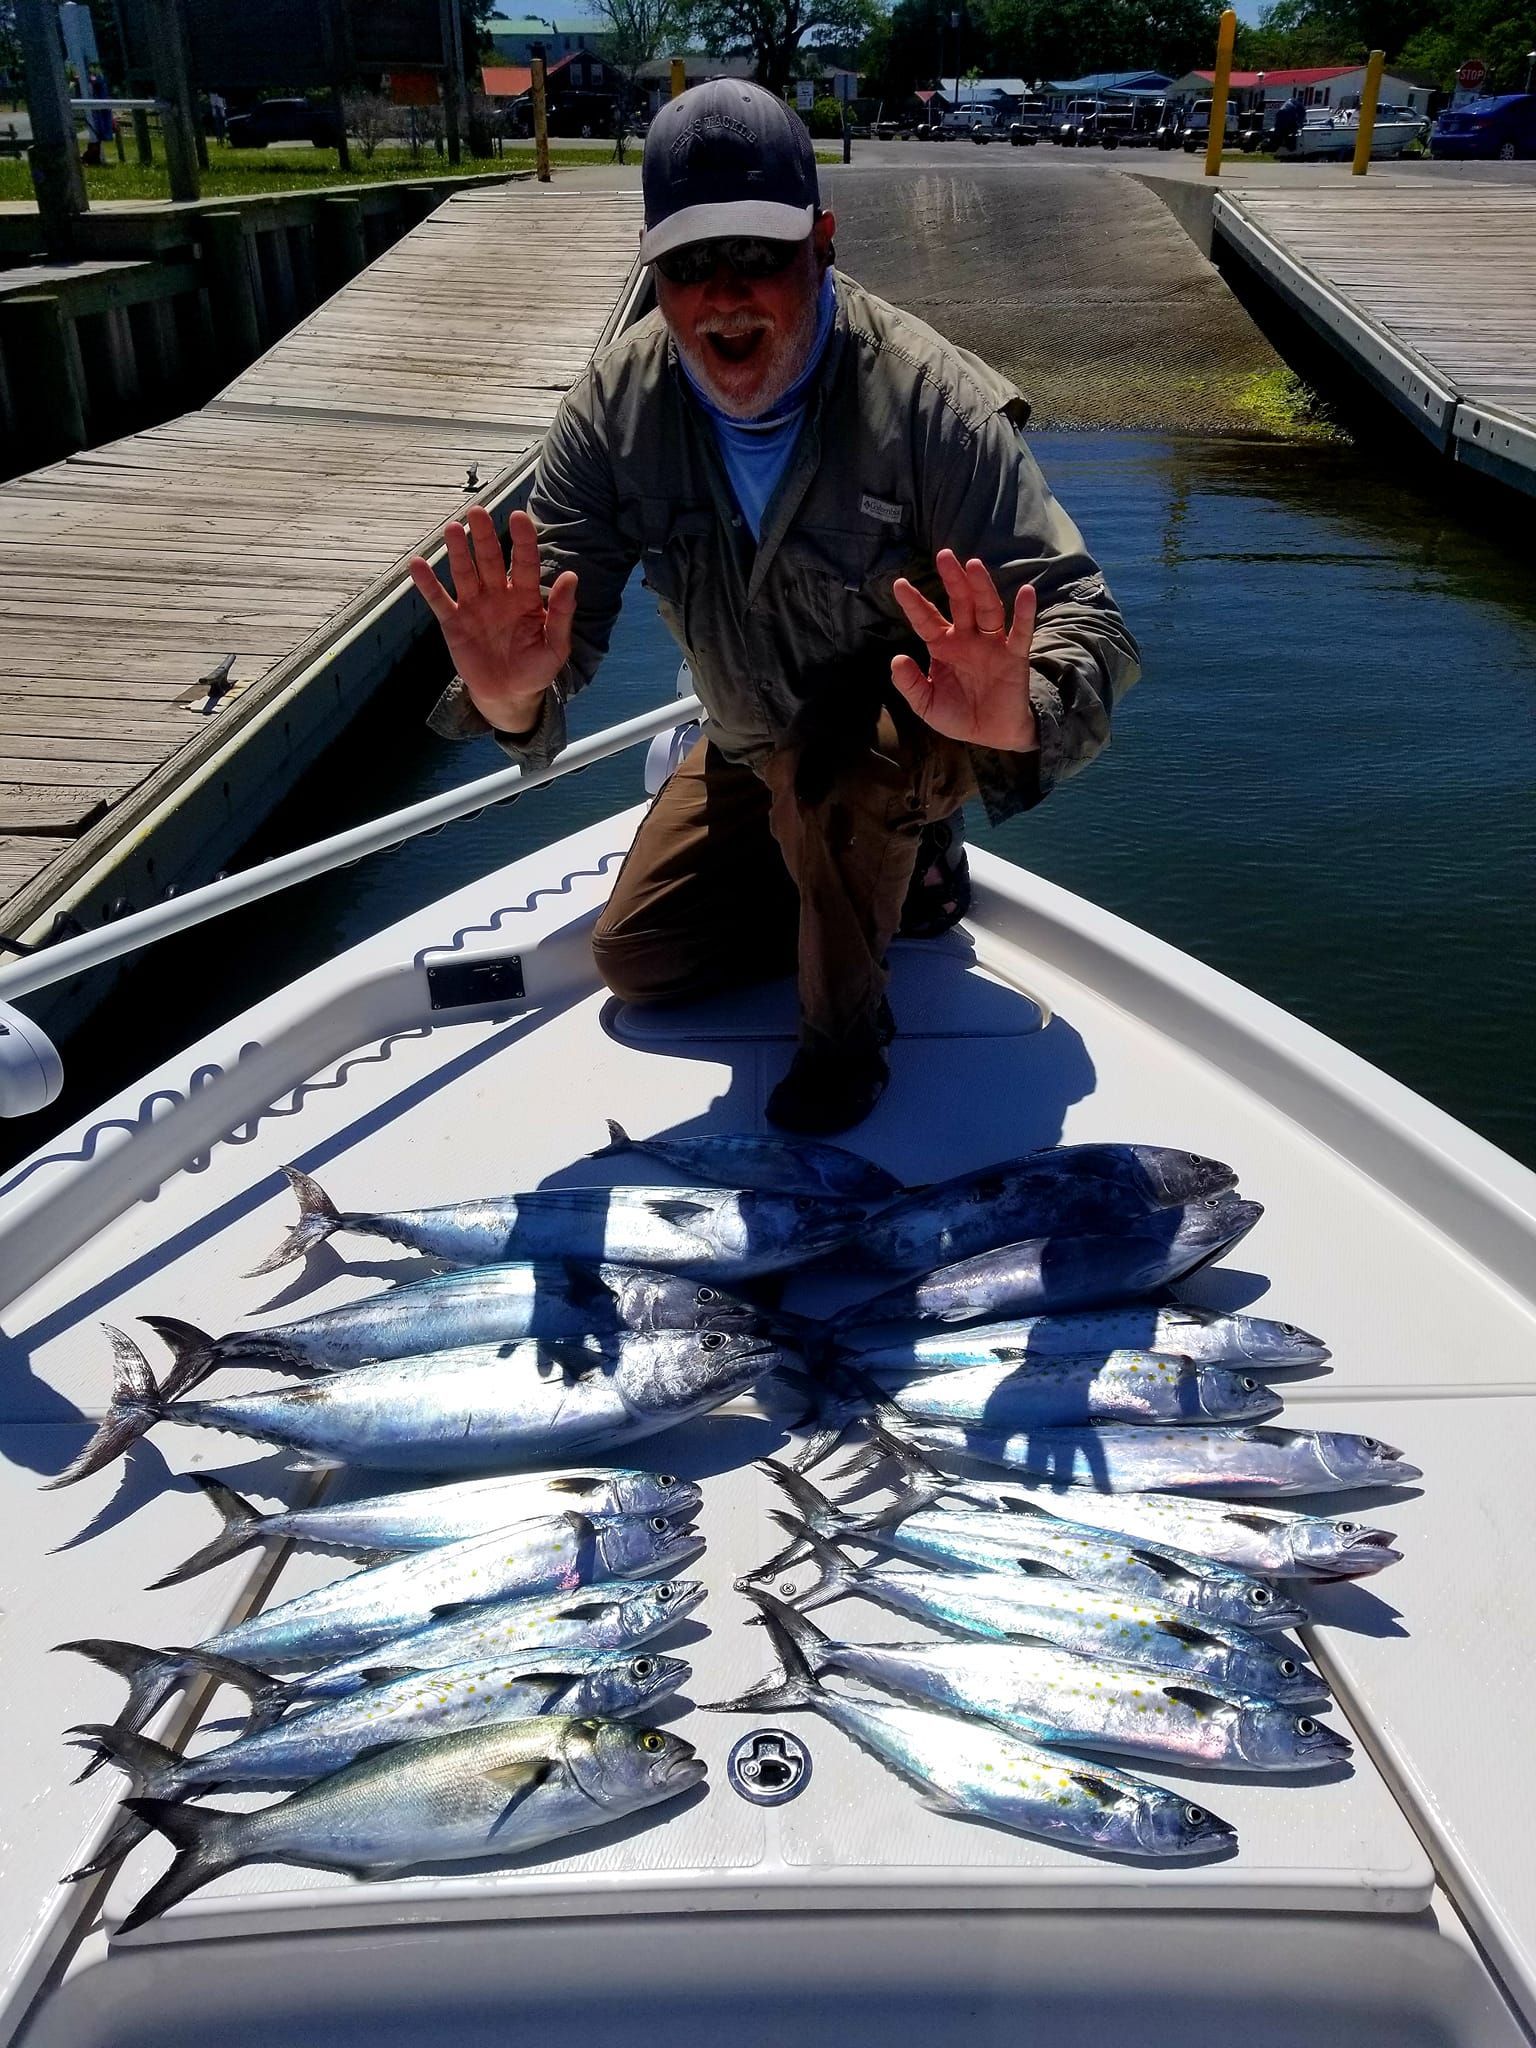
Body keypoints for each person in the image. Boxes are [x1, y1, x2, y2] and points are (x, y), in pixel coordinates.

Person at [411, 79, 1139, 1134]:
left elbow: (1090, 621)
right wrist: (515, 699)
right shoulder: (613, 414)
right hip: (752, 743)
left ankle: (848, 1035)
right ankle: (889, 879)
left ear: (823, 243)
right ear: (652, 272)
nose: (724, 294)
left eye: (758, 253)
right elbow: (541, 650)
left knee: (845, 772)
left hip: (903, 735)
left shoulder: (932, 404)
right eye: (689, 264)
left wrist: (1017, 711)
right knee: (640, 958)